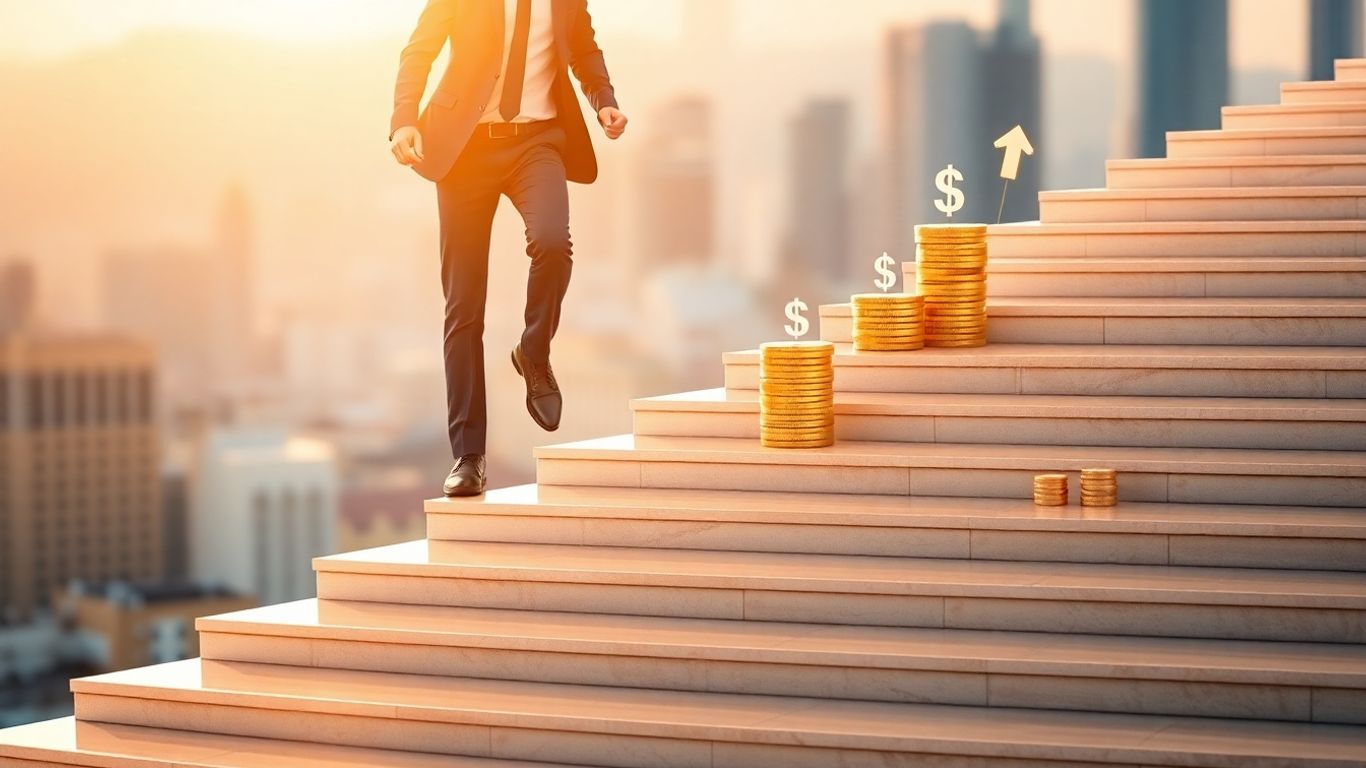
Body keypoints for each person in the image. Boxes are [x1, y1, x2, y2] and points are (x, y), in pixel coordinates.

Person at [389, 0, 627, 497]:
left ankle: (533, 352)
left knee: (552, 242)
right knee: (464, 305)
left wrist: (602, 97)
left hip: (535, 142)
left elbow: (583, 46)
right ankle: (468, 456)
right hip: (463, 149)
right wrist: (405, 117)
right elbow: (421, 48)